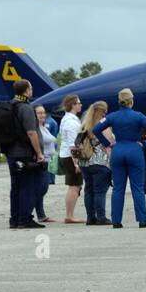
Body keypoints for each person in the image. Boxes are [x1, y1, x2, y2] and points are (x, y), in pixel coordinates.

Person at [92, 88, 146, 228]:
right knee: (137, 188)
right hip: (134, 150)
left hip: (118, 150)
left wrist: (107, 143)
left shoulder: (112, 117)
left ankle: (116, 221)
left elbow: (96, 129)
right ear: (132, 101)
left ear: (119, 101)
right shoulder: (138, 116)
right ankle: (142, 220)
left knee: (118, 188)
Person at [1, 79, 46, 229]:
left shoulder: (10, 106)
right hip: (25, 153)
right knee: (29, 185)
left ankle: (15, 219)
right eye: (31, 88)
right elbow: (31, 132)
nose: (32, 91)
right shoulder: (25, 108)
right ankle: (25, 218)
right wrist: (39, 153)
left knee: (16, 186)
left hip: (11, 152)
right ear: (27, 91)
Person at [76, 101, 112, 225]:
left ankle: (90, 217)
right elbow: (108, 146)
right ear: (102, 112)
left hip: (85, 162)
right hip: (100, 162)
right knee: (100, 191)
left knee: (89, 190)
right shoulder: (103, 126)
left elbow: (77, 143)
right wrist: (112, 162)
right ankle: (101, 217)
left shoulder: (83, 126)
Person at [56, 95, 86, 224]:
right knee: (74, 186)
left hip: (67, 155)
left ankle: (70, 214)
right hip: (70, 157)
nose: (81, 105)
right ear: (73, 105)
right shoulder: (71, 122)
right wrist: (77, 162)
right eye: (79, 103)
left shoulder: (67, 119)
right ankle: (69, 215)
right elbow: (73, 145)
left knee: (75, 185)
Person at [34, 105, 58, 222]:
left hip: (48, 162)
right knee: (41, 188)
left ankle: (41, 214)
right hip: (41, 162)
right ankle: (33, 212)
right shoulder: (34, 129)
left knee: (42, 188)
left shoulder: (43, 127)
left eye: (43, 113)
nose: (42, 115)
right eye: (39, 113)